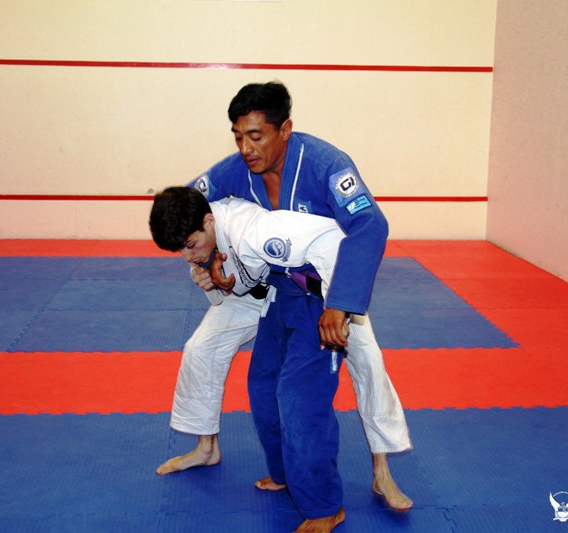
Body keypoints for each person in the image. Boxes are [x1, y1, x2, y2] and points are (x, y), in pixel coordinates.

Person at [157, 81, 413, 511]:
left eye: (256, 136)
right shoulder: (237, 168)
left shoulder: (327, 165)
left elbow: (371, 225)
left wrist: (341, 304)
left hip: (327, 285)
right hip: (265, 283)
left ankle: (382, 470)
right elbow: (185, 207)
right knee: (202, 347)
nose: (246, 148)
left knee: (368, 362)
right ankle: (206, 446)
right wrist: (209, 260)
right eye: (238, 137)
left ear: (285, 129)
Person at [151, 186, 355, 531]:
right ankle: (285, 473)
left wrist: (340, 306)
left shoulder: (256, 232)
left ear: (208, 222)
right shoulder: (207, 239)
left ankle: (326, 506)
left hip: (323, 299)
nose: (187, 256)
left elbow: (338, 243)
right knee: (262, 387)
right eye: (180, 250)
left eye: (190, 245)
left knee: (300, 399)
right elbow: (243, 284)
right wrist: (212, 280)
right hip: (280, 294)